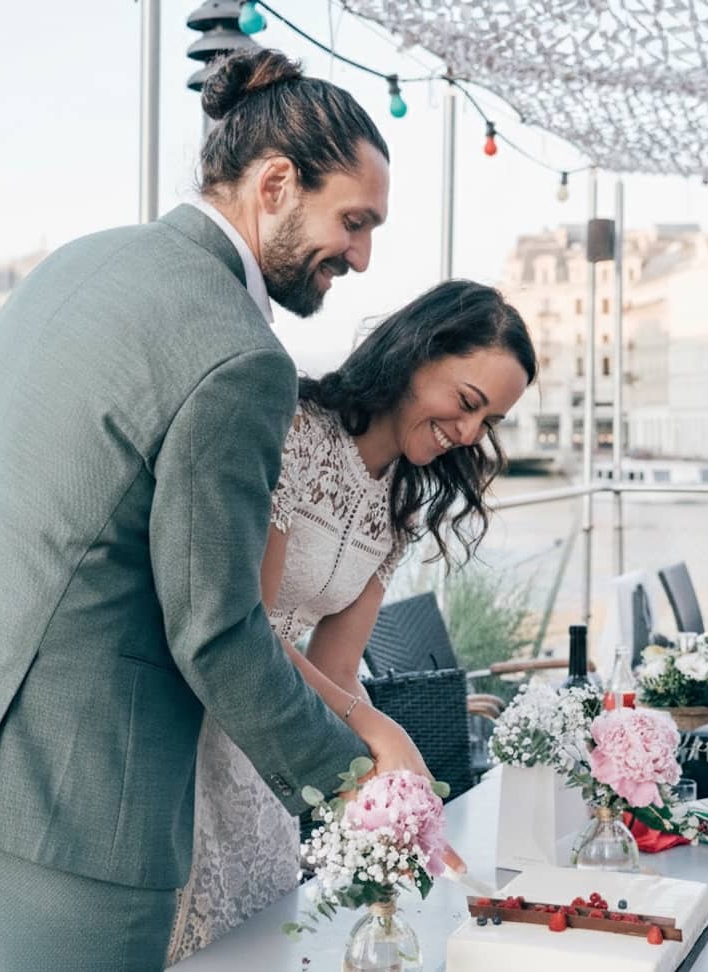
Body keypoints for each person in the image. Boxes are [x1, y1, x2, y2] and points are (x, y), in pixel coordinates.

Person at [0, 47, 401, 971]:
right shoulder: (240, 355)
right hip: (74, 796)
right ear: (275, 184)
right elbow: (216, 626)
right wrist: (356, 787)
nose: (361, 254)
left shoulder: (76, 263)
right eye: (354, 222)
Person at [167, 278, 537, 963]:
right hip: (205, 711)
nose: (469, 435)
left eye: (488, 423)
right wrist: (375, 725)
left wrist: (399, 787)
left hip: (276, 752)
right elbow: (249, 626)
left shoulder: (398, 508)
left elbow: (338, 671)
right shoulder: (295, 434)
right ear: (416, 354)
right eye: (466, 404)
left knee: (263, 932)